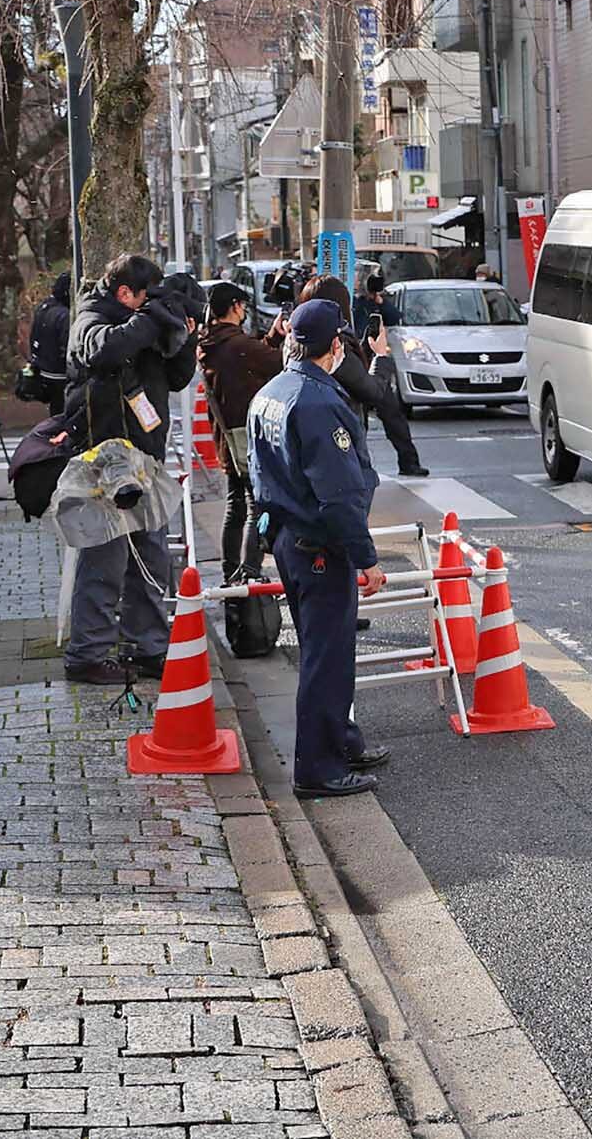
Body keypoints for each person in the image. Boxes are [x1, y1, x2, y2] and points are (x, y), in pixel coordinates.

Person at [248, 299, 389, 799]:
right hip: (320, 543)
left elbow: (259, 476)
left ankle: (341, 741)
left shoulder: (270, 392)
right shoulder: (319, 402)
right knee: (327, 657)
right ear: (335, 346)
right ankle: (320, 768)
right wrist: (367, 559)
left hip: (290, 538)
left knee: (322, 648)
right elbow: (340, 493)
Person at [62, 254, 200, 686]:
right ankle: (87, 654)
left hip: (145, 461)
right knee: (105, 558)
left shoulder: (143, 324)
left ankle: (148, 648)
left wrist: (183, 336)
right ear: (126, 294)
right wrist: (150, 319)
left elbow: (175, 378)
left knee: (151, 560)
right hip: (105, 461)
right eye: (146, 298)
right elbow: (105, 351)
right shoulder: (90, 317)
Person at [299, 274, 429, 478]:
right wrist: (380, 355)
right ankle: (369, 469)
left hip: (356, 374)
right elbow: (372, 390)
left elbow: (395, 316)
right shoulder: (336, 343)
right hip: (358, 382)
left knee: (391, 419)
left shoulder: (298, 339)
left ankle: (407, 462)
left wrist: (379, 302)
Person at [200, 281, 282, 581]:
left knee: (235, 505)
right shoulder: (236, 345)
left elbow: (257, 356)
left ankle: (230, 574)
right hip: (245, 436)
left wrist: (272, 336)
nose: (245, 311)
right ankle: (249, 572)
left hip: (225, 437)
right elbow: (275, 363)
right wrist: (279, 340)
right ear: (235, 306)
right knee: (255, 506)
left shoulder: (210, 342)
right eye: (244, 306)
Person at [26, 273, 71, 418]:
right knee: (62, 412)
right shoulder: (64, 315)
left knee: (55, 413)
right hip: (59, 372)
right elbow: (67, 345)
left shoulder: (44, 308)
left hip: (44, 368)